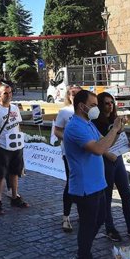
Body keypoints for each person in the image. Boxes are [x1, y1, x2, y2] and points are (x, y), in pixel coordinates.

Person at [63, 89, 123, 259]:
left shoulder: (88, 123)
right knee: (88, 226)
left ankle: (82, 255)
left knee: (98, 220)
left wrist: (117, 129)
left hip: (98, 183)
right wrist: (113, 130)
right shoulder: (74, 127)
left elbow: (103, 143)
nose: (97, 108)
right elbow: (98, 149)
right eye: (94, 104)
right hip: (85, 187)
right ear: (82, 106)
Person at [94, 92, 130, 241]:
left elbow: (120, 139)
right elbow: (103, 143)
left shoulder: (115, 119)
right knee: (107, 196)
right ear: (100, 105)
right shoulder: (96, 122)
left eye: (112, 102)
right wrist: (117, 131)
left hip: (118, 160)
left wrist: (128, 141)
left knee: (126, 193)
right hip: (106, 161)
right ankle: (109, 228)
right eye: (106, 103)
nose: (110, 105)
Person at [0, 84, 28, 215]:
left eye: (10, 93)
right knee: (1, 176)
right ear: (0, 95)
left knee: (15, 173)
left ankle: (14, 197)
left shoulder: (15, 108)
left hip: (16, 146)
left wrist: (21, 141)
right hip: (3, 147)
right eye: (5, 93)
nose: (9, 95)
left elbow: (18, 126)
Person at [53, 85, 82, 233]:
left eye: (78, 94)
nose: (75, 96)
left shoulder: (88, 112)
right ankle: (66, 216)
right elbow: (57, 130)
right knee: (71, 182)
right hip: (69, 153)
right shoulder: (65, 112)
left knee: (83, 182)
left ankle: (82, 213)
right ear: (68, 96)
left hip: (85, 153)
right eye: (72, 94)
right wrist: (69, 139)